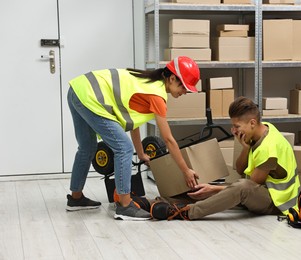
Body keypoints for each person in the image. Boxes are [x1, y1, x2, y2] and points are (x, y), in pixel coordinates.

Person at [66, 56, 201, 220]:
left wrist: (141, 153)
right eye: (184, 87)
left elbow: (133, 122)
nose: (185, 92)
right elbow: (168, 140)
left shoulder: (148, 81)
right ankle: (125, 206)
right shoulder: (157, 95)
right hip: (89, 97)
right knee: (123, 148)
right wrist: (186, 171)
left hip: (77, 90)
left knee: (87, 147)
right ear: (172, 78)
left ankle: (76, 198)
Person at [150, 96, 301, 220]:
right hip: (260, 191)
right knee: (207, 190)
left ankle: (188, 213)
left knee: (236, 188)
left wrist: (214, 189)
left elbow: (249, 186)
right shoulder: (261, 129)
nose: (233, 130)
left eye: (237, 126)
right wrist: (245, 148)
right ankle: (158, 204)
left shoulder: (269, 149)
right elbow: (241, 169)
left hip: (276, 203)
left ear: (253, 123)